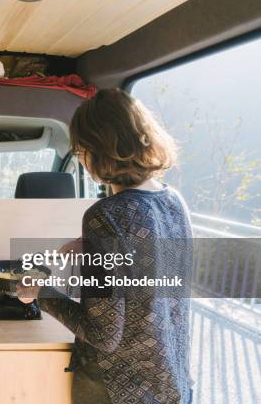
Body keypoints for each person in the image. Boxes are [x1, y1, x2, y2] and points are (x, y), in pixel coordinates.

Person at [19, 88, 193, 404]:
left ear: (94, 150)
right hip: (173, 384)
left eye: (80, 149)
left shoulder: (106, 216)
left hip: (116, 391)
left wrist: (41, 293)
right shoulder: (173, 202)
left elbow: (103, 334)